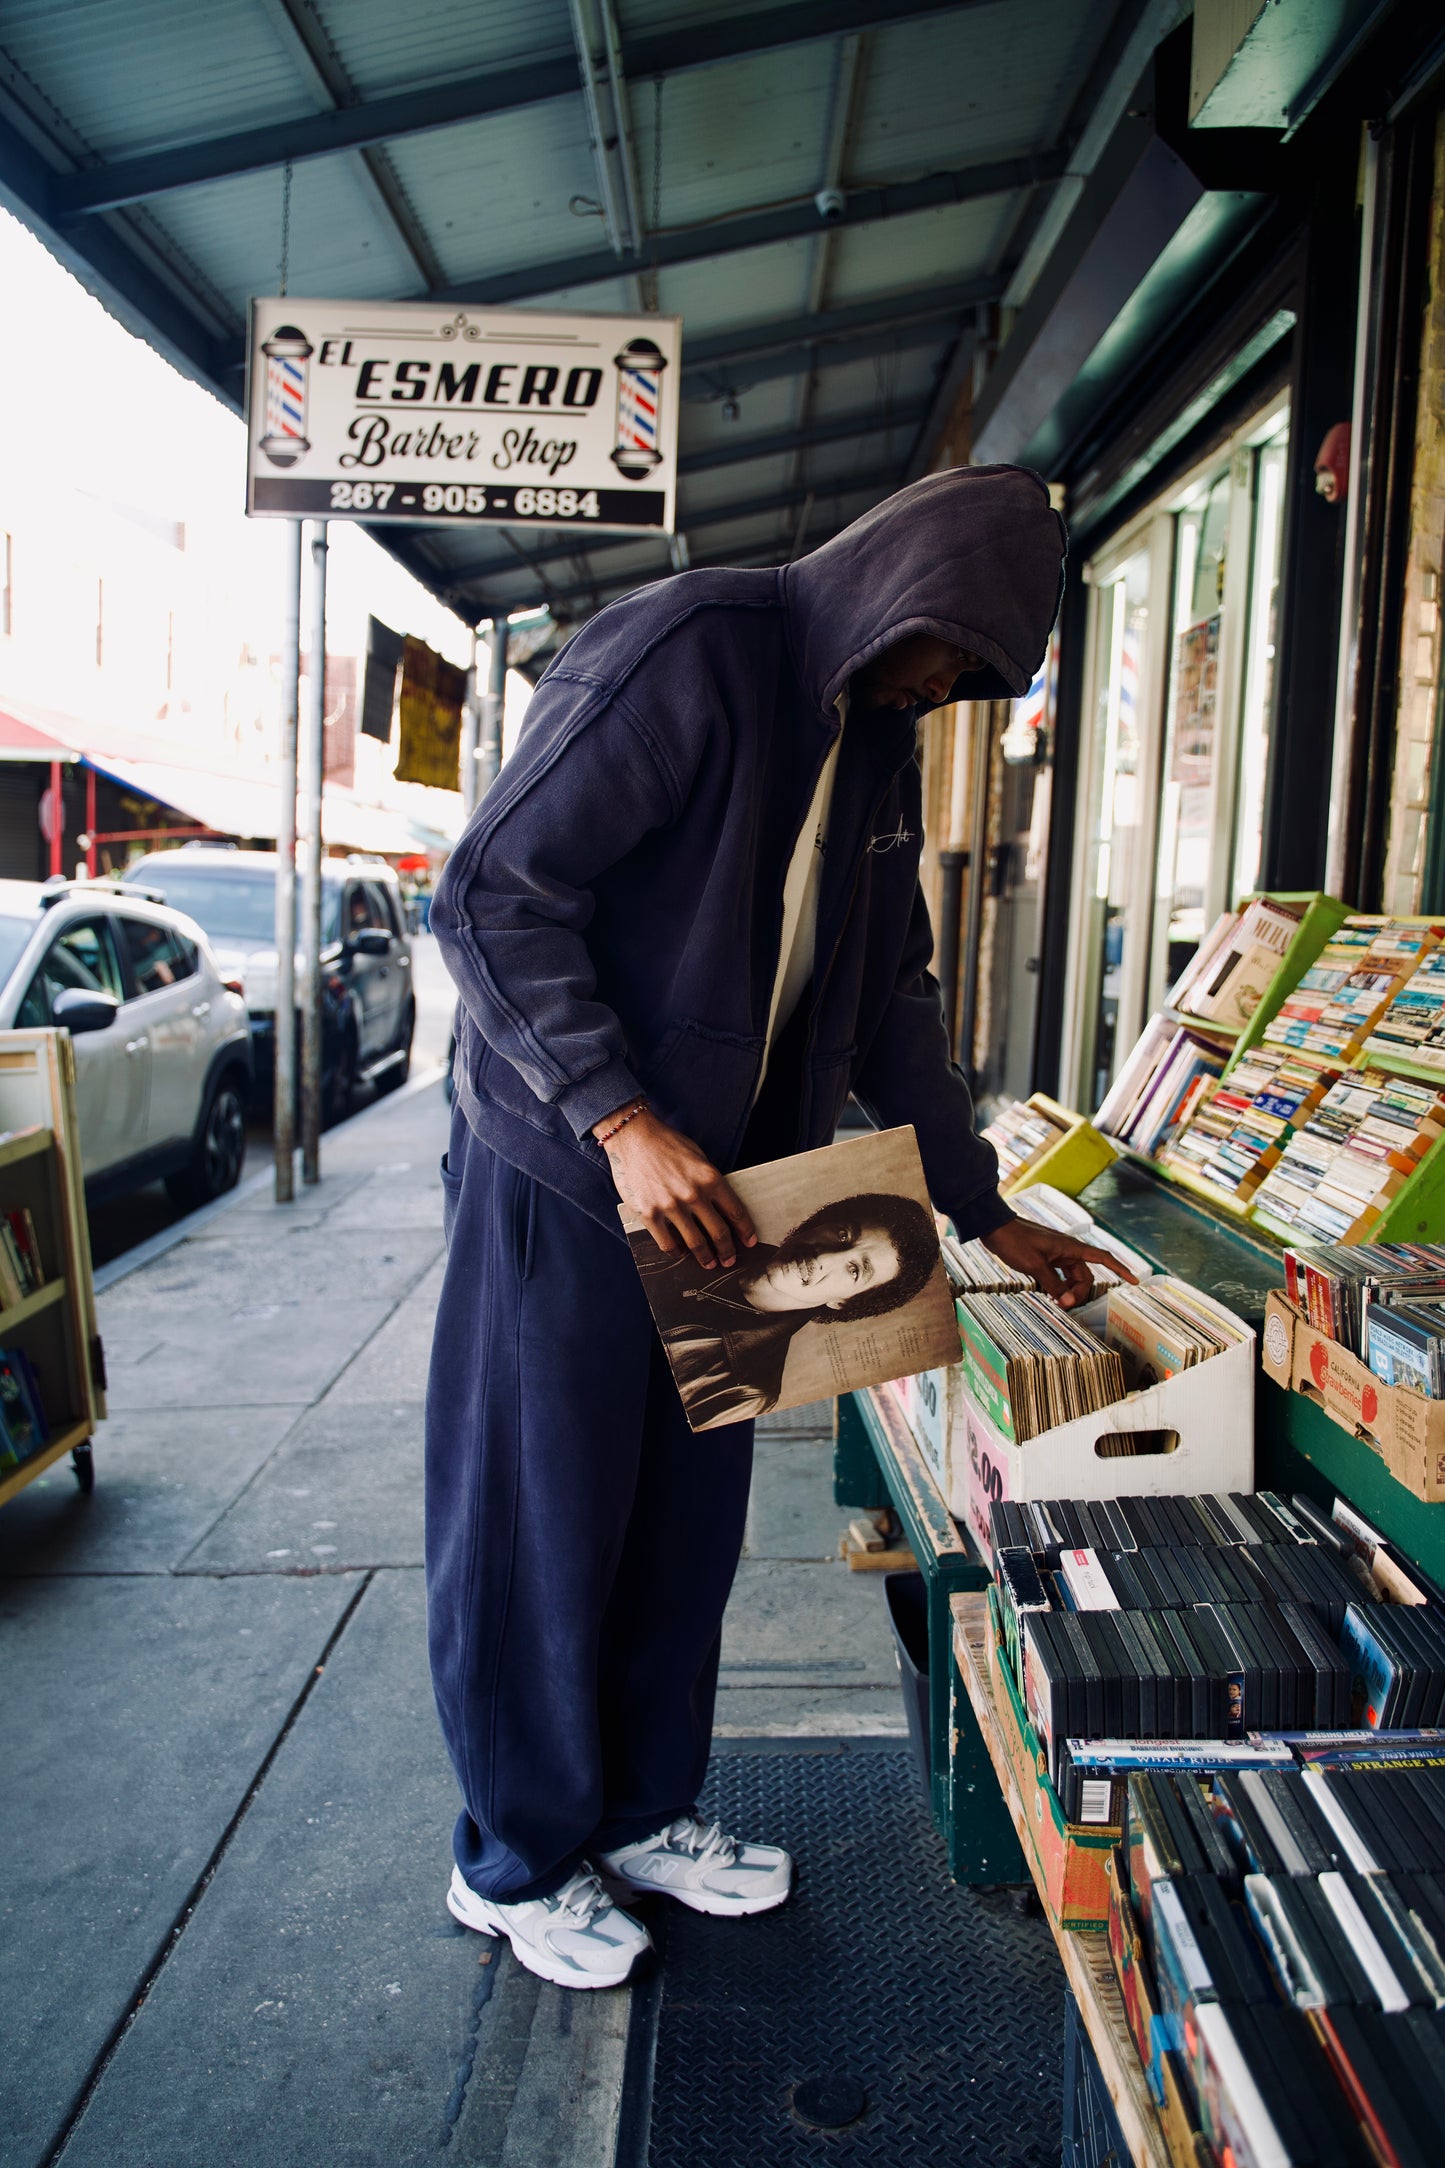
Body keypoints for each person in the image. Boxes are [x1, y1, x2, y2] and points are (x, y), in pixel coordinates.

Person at [427, 465, 1123, 1991]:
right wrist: (617, 1116)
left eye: (969, 681)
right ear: (895, 577)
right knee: (537, 1523)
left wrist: (984, 1211)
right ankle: (517, 1858)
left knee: (686, 1525)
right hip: (567, 1165)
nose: (940, 687)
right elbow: (489, 890)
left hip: (748, 1200)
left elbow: (895, 1000)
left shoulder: (879, 743)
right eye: (942, 650)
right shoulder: (684, 649)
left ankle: (646, 1812)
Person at [633, 1189, 940, 1426]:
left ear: (843, 1302)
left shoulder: (749, 1390)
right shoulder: (695, 1220)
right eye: (843, 1234)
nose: (824, 1258)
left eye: (854, 1270)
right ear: (821, 1221)